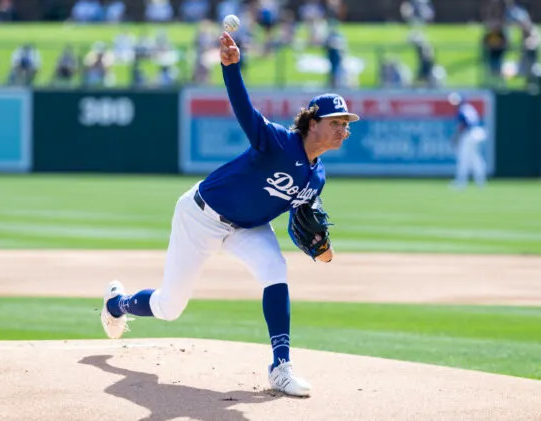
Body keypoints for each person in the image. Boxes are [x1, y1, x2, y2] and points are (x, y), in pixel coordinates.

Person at [100, 31, 359, 397]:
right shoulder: (278, 142)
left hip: (248, 228)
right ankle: (117, 304)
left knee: (275, 269)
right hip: (200, 216)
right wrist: (231, 68)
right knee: (169, 306)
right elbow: (245, 111)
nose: (343, 129)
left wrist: (320, 246)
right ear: (312, 122)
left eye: (346, 124)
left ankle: (280, 366)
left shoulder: (318, 176)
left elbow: (297, 220)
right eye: (336, 122)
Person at [448, 93, 488, 189]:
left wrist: (456, 137)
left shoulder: (462, 110)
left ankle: (461, 182)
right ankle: (481, 181)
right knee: (474, 158)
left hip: (469, 134)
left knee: (464, 158)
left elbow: (464, 125)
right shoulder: (468, 108)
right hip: (477, 133)